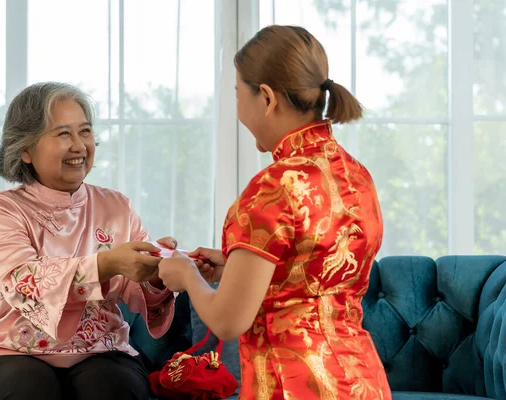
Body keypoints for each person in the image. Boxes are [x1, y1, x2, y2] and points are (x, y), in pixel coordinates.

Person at [158, 25, 392, 399]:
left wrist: (187, 275)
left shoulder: (274, 186)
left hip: (294, 383)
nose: (236, 107)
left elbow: (227, 321)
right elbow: (316, 271)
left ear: (266, 97)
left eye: (237, 94)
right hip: (363, 379)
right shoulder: (355, 173)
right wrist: (232, 265)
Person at [0, 82, 179, 400]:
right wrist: (107, 263)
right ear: (25, 149)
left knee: (113, 389)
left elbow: (137, 289)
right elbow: (24, 281)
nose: (79, 146)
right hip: (10, 354)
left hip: (103, 351)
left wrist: (158, 271)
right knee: (29, 389)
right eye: (63, 134)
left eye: (85, 132)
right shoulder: (2, 209)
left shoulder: (118, 206)